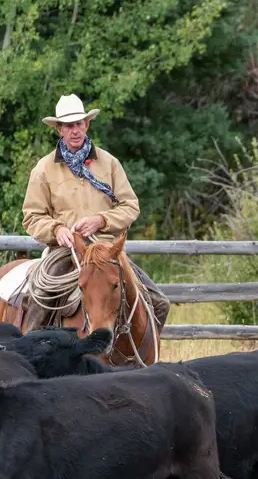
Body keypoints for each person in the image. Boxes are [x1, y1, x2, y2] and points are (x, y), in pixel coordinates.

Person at [21, 94, 170, 332]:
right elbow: (32, 216)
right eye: (68, 125)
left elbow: (130, 205)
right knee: (40, 299)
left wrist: (102, 220)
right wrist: (56, 229)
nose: (75, 130)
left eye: (79, 123)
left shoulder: (109, 163)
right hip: (66, 251)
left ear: (87, 124)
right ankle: (28, 352)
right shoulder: (43, 169)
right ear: (59, 129)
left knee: (160, 303)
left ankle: (144, 363)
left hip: (108, 250)